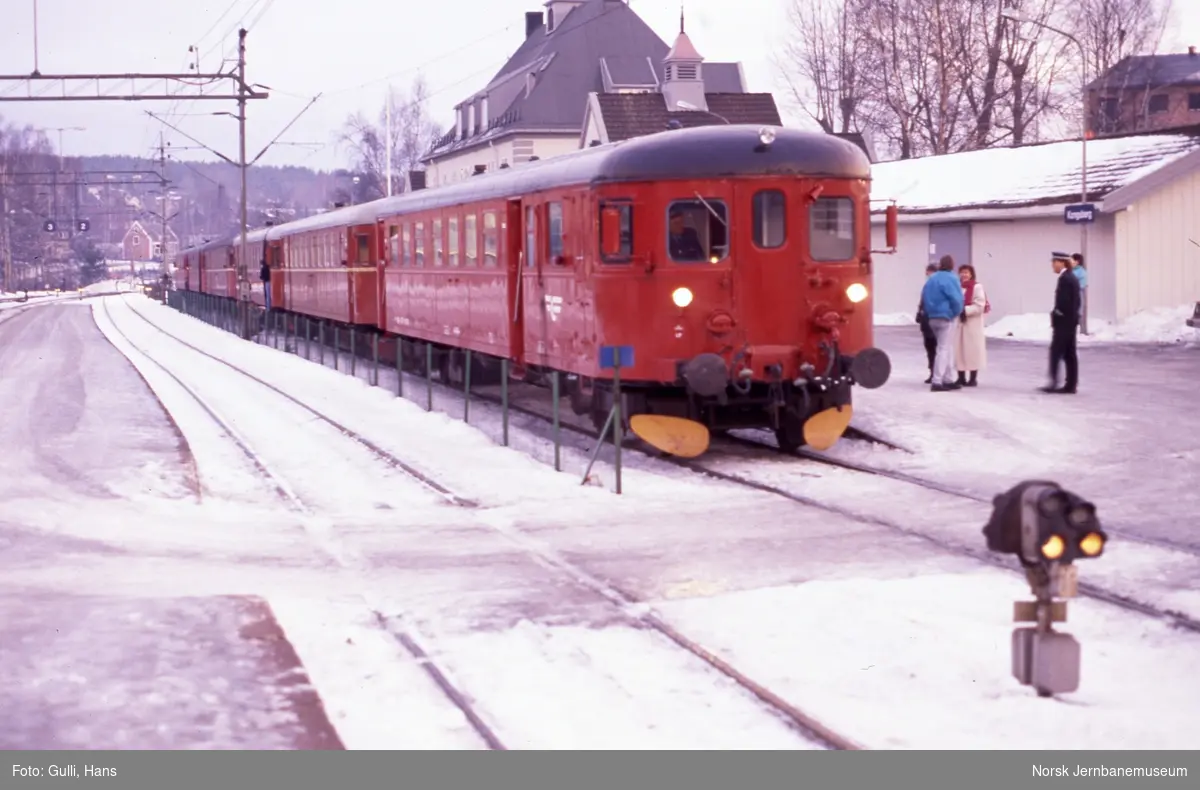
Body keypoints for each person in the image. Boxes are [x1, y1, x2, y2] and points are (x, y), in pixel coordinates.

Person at [920, 254, 965, 391]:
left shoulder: (932, 279)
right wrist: (955, 313)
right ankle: (938, 380)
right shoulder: (952, 278)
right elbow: (956, 299)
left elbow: (924, 297)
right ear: (952, 265)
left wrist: (929, 312)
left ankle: (948, 378)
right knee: (944, 349)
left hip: (932, 317)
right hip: (946, 317)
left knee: (946, 348)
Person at [1042, 251, 1081, 394]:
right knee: (1069, 353)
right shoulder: (1071, 277)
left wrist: (1057, 315)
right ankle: (1071, 385)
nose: (1052, 265)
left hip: (1064, 323)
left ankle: (1053, 383)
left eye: (1054, 262)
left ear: (1061, 262)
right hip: (1070, 322)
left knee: (1056, 352)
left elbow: (1065, 303)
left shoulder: (1065, 279)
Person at [954, 263, 988, 387]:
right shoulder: (957, 287)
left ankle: (973, 378)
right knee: (959, 351)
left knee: (973, 351)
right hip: (959, 323)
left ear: (971, 274)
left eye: (966, 272)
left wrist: (965, 310)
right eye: (962, 272)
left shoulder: (977, 287)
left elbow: (980, 305)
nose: (964, 275)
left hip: (972, 324)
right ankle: (961, 377)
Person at [915, 263, 938, 383]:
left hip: (934, 319)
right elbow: (923, 300)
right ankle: (932, 371)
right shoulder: (927, 286)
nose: (927, 274)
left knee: (935, 348)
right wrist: (919, 312)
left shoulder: (937, 285)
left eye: (929, 272)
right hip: (926, 320)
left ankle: (936, 373)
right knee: (929, 348)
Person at [1070, 252, 1087, 323]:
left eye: (1071, 260)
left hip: (1076, 294)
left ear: (1077, 262)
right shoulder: (1071, 270)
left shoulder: (1081, 272)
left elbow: (1082, 284)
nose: (1070, 262)